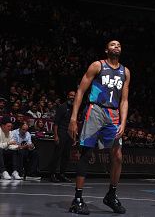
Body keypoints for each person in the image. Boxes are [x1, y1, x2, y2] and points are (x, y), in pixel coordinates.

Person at [68, 40, 130, 215]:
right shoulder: (97, 65)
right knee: (86, 153)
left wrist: (123, 122)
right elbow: (80, 91)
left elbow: (124, 100)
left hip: (114, 115)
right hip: (95, 110)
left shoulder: (125, 71)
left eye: (118, 45)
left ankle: (111, 195)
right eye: (112, 44)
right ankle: (77, 199)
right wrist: (73, 118)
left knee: (117, 156)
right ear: (106, 49)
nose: (116, 46)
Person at [49, 90, 76, 182]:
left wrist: (74, 137)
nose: (72, 97)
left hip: (69, 134)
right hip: (61, 133)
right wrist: (56, 136)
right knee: (57, 155)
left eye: (74, 96)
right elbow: (56, 123)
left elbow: (74, 124)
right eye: (71, 95)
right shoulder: (62, 107)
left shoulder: (74, 108)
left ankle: (62, 174)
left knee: (66, 156)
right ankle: (52, 174)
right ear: (68, 96)